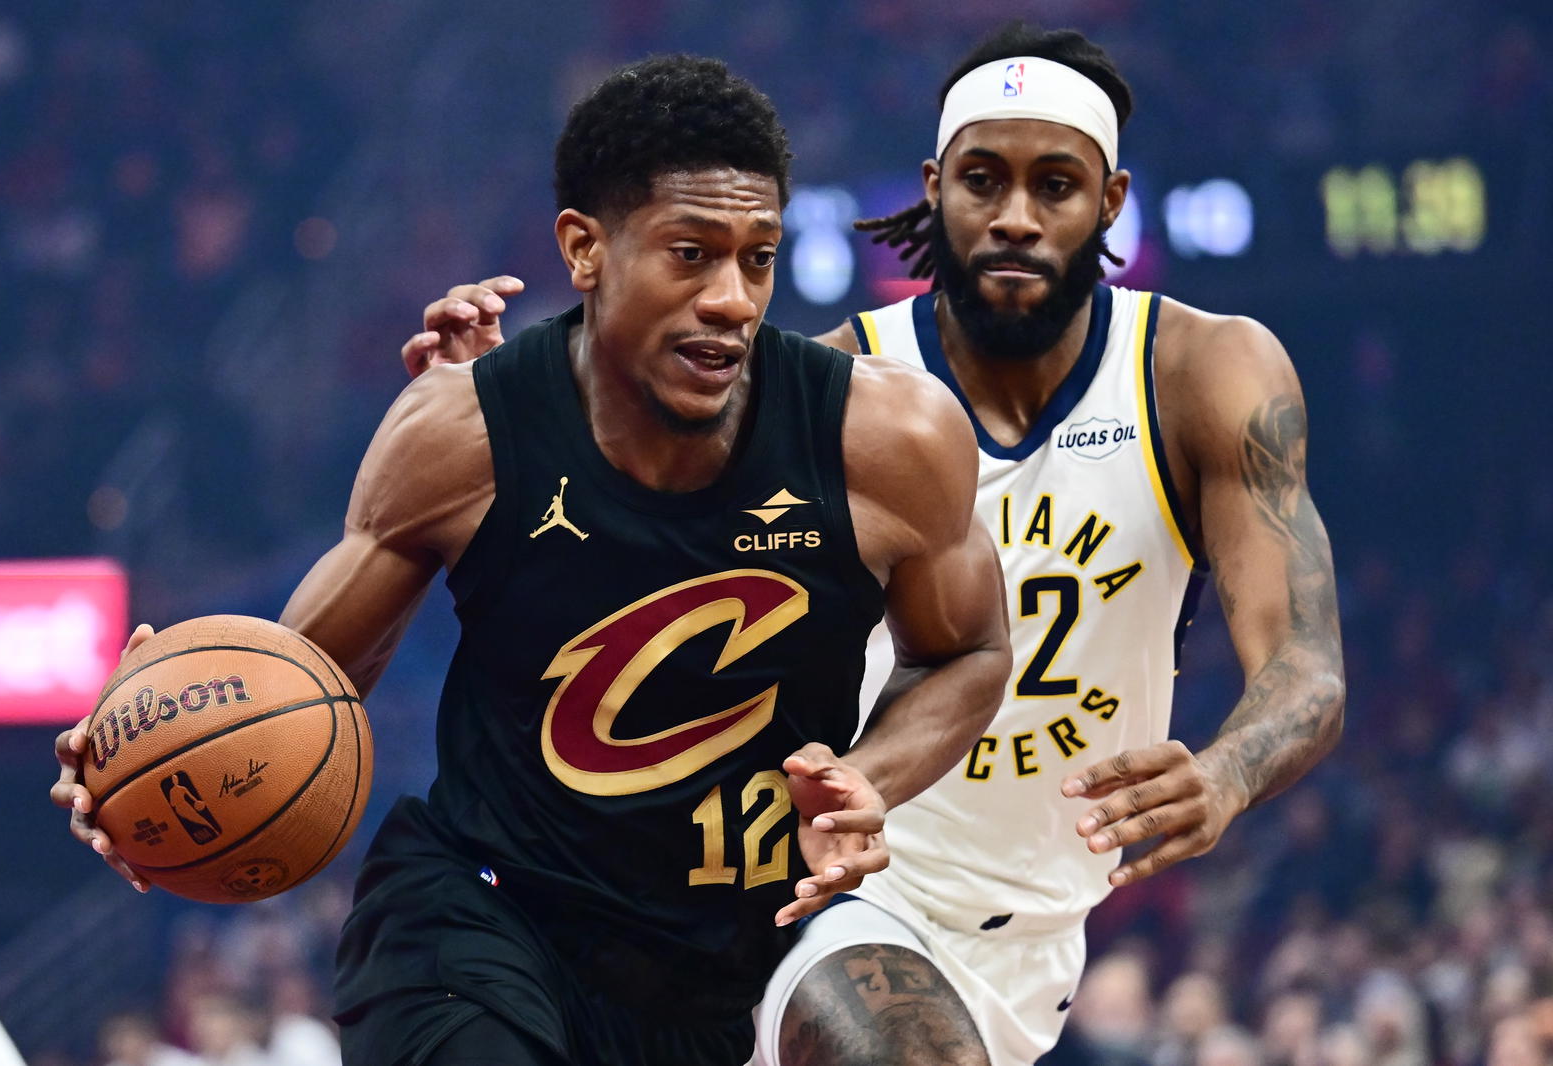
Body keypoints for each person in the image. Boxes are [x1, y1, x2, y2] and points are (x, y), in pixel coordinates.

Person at [402, 21, 1346, 1066]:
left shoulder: (1202, 373)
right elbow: (637, 551)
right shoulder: (834, 391)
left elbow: (1304, 664)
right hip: (832, 887)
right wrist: (521, 411)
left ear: (1110, 201)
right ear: (935, 187)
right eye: (983, 181)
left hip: (1037, 933)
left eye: (1056, 186)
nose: (1016, 218)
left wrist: (1226, 773)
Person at [50, 55, 1013, 1066]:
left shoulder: (887, 438)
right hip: (483, 915)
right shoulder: (463, 433)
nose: (733, 297)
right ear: (584, 249)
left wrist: (872, 773)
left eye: (758, 257)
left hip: (728, 957)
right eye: (690, 254)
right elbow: (297, 680)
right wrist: (154, 737)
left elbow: (971, 651)